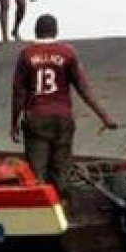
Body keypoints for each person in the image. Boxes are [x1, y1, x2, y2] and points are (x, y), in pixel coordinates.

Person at [11, 14, 116, 198]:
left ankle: (42, 206)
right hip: (63, 118)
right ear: (56, 31)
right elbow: (83, 88)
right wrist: (104, 117)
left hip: (36, 118)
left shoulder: (27, 54)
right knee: (61, 170)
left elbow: (19, 92)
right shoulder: (67, 53)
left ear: (36, 31)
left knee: (37, 172)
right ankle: (64, 205)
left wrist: (14, 123)